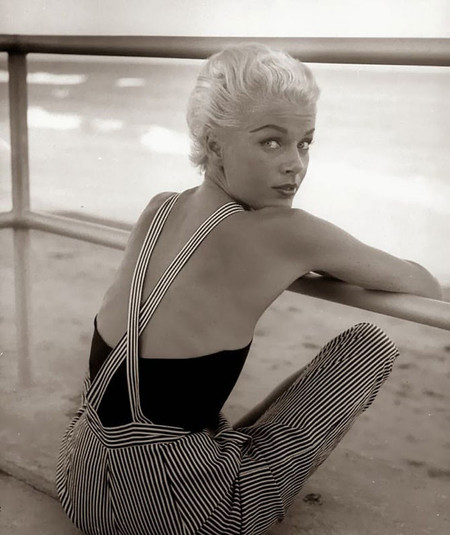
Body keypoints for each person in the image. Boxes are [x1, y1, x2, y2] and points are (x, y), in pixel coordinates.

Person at [56, 43, 442, 535]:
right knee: (368, 346)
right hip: (179, 518)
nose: (295, 164)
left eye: (305, 143)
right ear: (214, 143)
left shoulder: (159, 208)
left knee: (177, 410)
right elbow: (424, 286)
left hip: (84, 482)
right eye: (271, 142)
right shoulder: (285, 233)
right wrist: (322, 262)